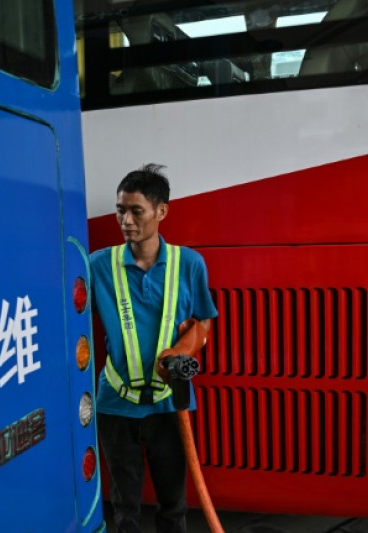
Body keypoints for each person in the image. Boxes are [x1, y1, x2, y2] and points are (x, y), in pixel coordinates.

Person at [90, 164, 218, 533]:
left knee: (173, 506)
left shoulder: (189, 264)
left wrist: (183, 349)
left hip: (170, 403)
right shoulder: (99, 265)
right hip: (115, 403)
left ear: (161, 211)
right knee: (125, 506)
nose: (126, 221)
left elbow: (204, 322)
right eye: (120, 211)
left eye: (136, 211)